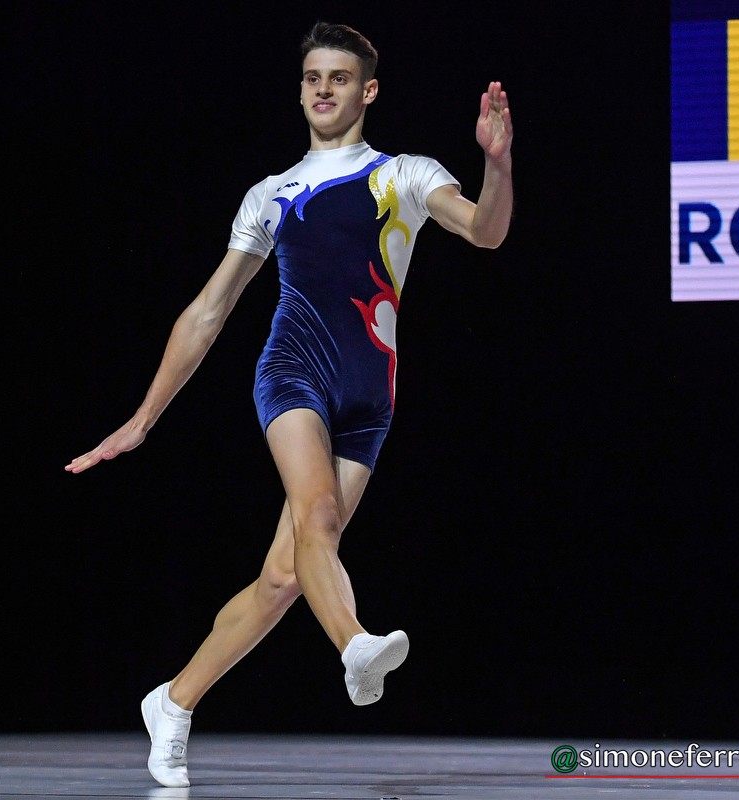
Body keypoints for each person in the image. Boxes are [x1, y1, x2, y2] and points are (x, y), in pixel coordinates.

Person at [66, 20, 513, 788]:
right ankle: (354, 646)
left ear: (368, 91)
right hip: (293, 373)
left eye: (339, 78)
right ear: (301, 89)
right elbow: (208, 312)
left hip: (370, 398)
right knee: (319, 520)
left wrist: (496, 165)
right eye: (313, 78)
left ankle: (172, 702)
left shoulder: (405, 175)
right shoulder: (271, 194)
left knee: (283, 578)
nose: (324, 90)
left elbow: (485, 231)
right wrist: (142, 420)